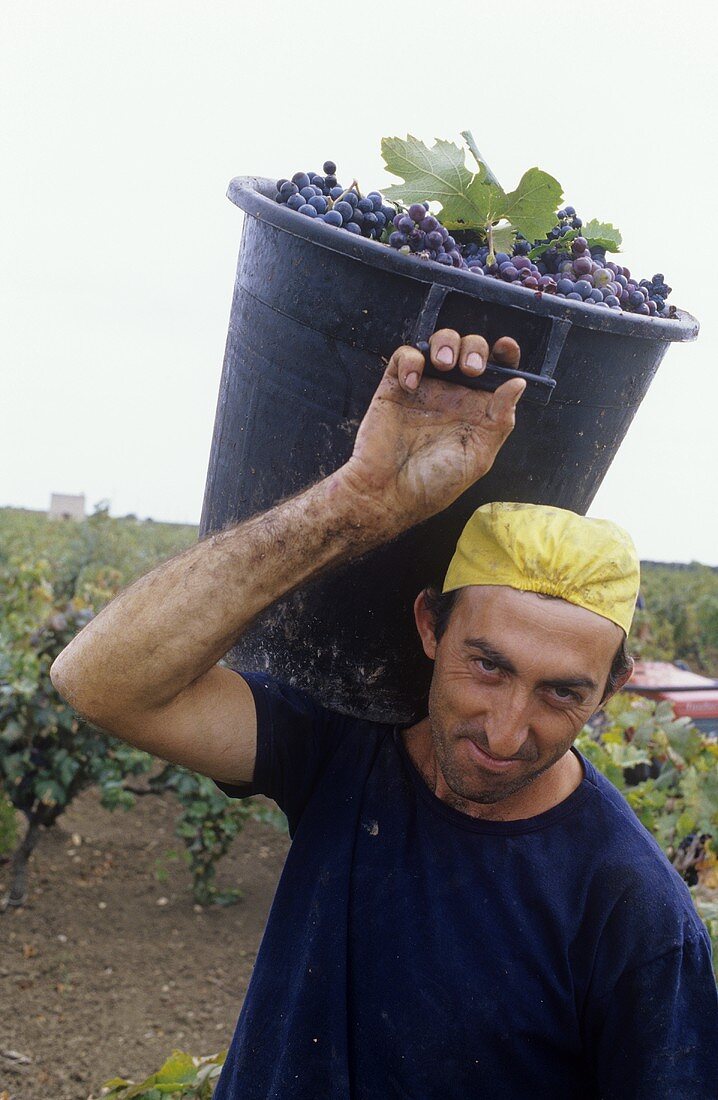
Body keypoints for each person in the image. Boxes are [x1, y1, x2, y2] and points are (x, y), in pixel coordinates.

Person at [50, 329, 718, 1099]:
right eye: (488, 666)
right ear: (430, 626)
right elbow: (98, 681)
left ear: (612, 687)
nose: (504, 731)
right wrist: (354, 503)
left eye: (561, 693)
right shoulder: (342, 753)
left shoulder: (633, 911)